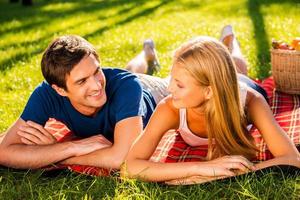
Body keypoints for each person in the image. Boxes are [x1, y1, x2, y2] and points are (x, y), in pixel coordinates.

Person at [122, 29, 300, 182]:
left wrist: (234, 172)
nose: (169, 88)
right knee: (131, 76)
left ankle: (230, 41)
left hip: (236, 82)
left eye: (179, 84)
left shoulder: (251, 101)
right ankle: (146, 53)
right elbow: (130, 167)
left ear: (208, 92)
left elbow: (292, 158)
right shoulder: (170, 107)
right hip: (210, 81)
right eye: (172, 80)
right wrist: (199, 168)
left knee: (237, 67)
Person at [0, 35, 168, 169]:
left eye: (97, 71)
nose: (96, 85)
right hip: (126, 83)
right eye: (82, 81)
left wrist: (58, 156)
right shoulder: (46, 95)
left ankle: (146, 54)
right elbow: (5, 151)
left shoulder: (127, 86)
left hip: (154, 91)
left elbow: (122, 158)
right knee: (129, 71)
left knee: (176, 82)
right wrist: (70, 147)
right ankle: (146, 53)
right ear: (60, 90)